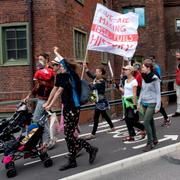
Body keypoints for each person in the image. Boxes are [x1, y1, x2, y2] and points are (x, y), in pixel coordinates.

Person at [43, 47, 98, 171]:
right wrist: (47, 102)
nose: (53, 67)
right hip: (67, 107)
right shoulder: (61, 76)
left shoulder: (72, 75)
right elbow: (55, 89)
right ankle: (78, 157)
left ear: (61, 65)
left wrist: (56, 51)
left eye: (55, 65)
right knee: (68, 135)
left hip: (74, 108)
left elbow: (59, 91)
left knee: (69, 134)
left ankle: (87, 151)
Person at [24, 53, 55, 149]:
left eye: (41, 59)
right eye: (39, 59)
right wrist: (28, 95)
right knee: (43, 121)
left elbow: (52, 85)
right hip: (40, 98)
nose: (39, 61)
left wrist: (41, 78)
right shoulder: (40, 70)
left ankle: (47, 139)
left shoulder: (50, 70)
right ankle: (48, 139)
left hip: (45, 100)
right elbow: (37, 85)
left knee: (36, 119)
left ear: (46, 59)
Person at [83, 63, 115, 140]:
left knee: (96, 117)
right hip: (98, 100)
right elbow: (91, 75)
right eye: (96, 71)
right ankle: (112, 127)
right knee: (104, 115)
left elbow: (93, 87)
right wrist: (86, 68)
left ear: (100, 73)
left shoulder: (101, 81)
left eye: (97, 72)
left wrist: (87, 84)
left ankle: (93, 134)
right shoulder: (96, 78)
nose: (95, 73)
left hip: (100, 101)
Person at [138, 59, 161, 152]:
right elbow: (142, 90)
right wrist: (139, 102)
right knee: (150, 122)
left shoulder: (155, 78)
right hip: (144, 102)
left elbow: (158, 93)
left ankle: (149, 142)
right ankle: (155, 139)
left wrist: (158, 106)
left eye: (143, 67)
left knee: (146, 122)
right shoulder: (143, 77)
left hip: (152, 102)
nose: (141, 69)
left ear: (148, 68)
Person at [118, 65, 145, 141]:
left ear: (130, 71)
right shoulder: (126, 80)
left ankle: (143, 127)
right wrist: (117, 87)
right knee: (127, 119)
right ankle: (131, 135)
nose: (124, 71)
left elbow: (134, 94)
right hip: (126, 101)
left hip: (131, 101)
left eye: (126, 69)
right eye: (124, 69)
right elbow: (125, 91)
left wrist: (135, 105)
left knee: (131, 119)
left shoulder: (134, 81)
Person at [149, 55, 171, 127]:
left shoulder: (156, 68)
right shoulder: (148, 69)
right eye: (149, 59)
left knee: (158, 104)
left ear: (154, 60)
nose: (151, 60)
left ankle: (166, 118)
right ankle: (166, 118)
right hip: (150, 90)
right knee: (156, 104)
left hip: (156, 88)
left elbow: (159, 78)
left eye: (152, 59)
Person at [172, 51, 180, 117]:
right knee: (178, 96)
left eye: (177, 55)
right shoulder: (178, 62)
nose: (176, 56)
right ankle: (178, 111)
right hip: (178, 82)